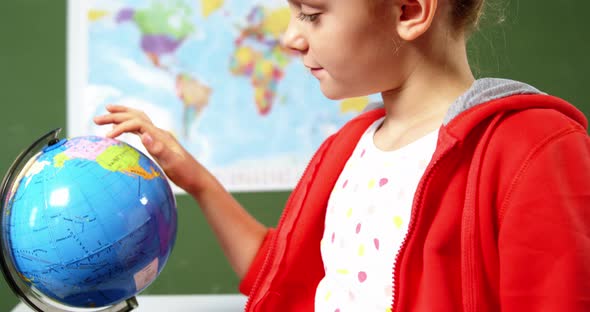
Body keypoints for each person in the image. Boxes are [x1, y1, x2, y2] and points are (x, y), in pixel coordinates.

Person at [94, 0, 590, 310]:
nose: (291, 37)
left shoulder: (534, 147)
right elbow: (281, 277)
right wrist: (196, 178)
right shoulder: (347, 147)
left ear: (409, 11)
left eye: (311, 12)